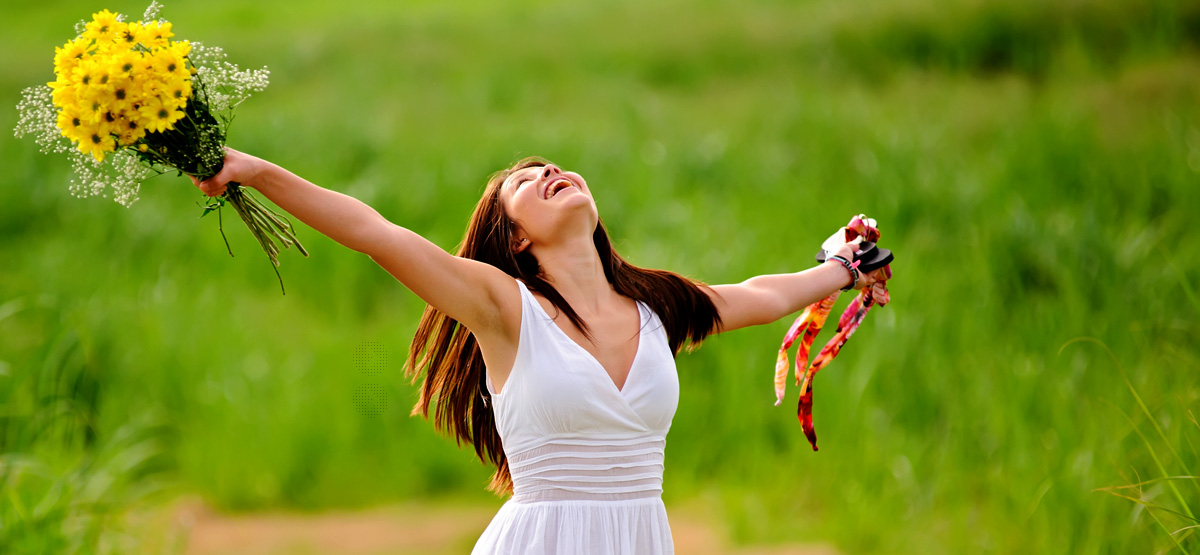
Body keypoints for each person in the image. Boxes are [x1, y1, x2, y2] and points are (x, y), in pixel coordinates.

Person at [192, 149, 883, 554]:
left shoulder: (657, 304)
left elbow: (762, 294)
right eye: (525, 182)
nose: (550, 170)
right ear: (516, 238)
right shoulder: (502, 306)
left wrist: (844, 266)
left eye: (552, 166)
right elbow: (376, 232)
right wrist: (256, 172)